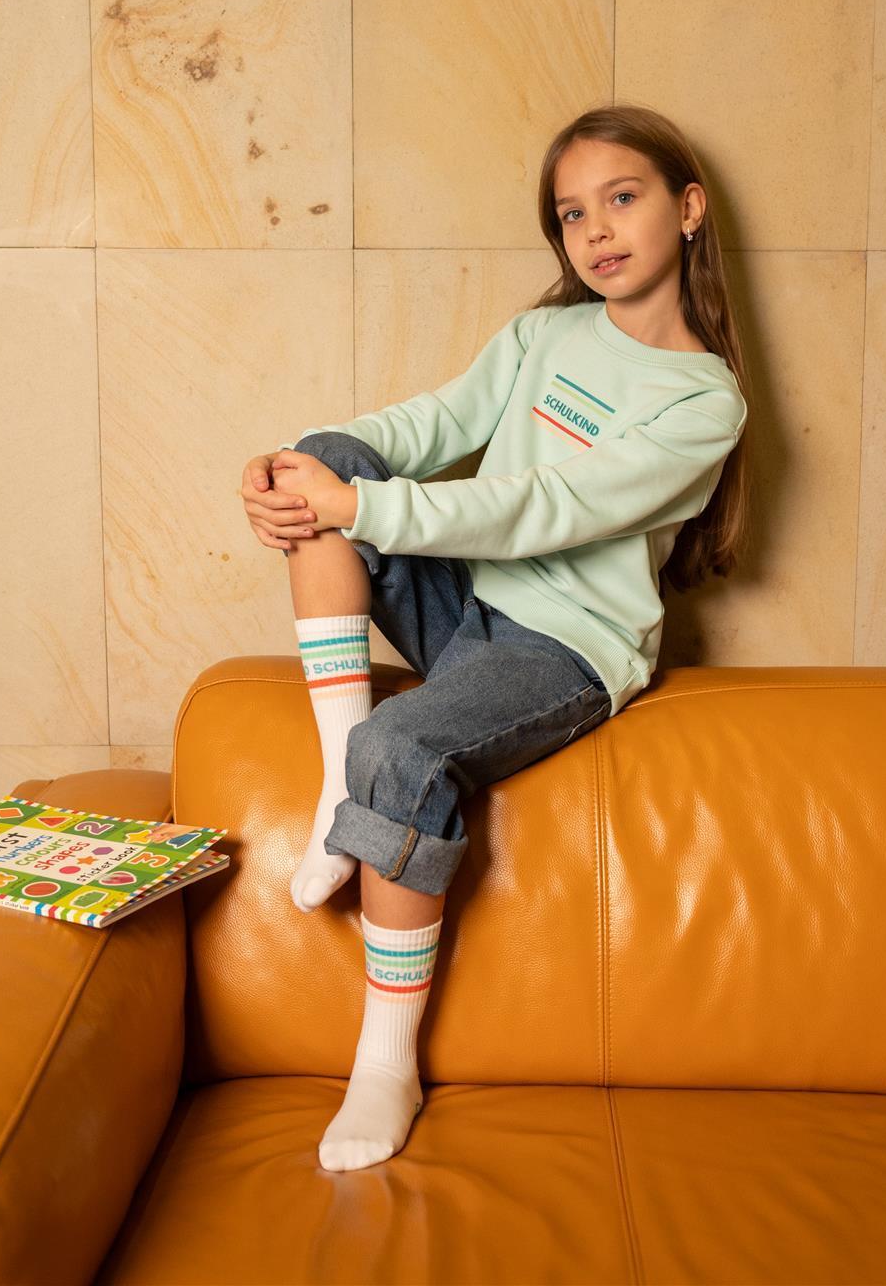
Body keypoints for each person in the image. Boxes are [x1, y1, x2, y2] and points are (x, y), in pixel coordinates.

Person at [240, 101, 752, 1174]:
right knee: (327, 448)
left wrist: (356, 510)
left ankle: (385, 1062)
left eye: (622, 198)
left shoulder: (705, 401)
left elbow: (542, 507)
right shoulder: (543, 335)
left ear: (689, 208)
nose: (596, 230)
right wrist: (297, 471)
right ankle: (339, 781)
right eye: (573, 213)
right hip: (466, 602)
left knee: (401, 747)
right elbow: (430, 425)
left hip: (563, 650)